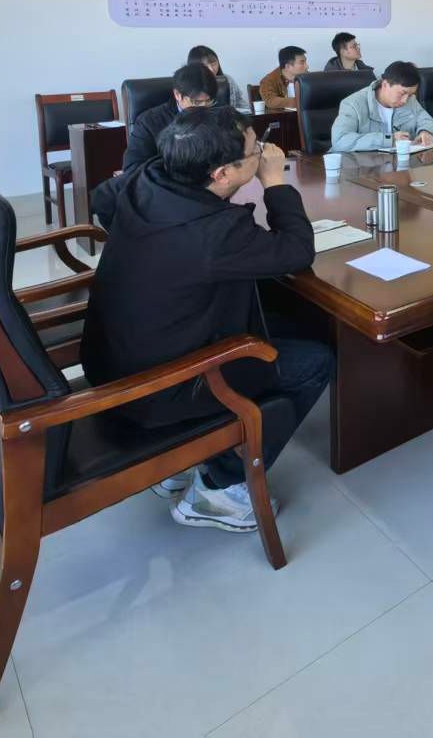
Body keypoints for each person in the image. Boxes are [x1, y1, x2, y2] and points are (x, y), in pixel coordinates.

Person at [81, 106, 333, 534]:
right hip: (158, 388)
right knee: (316, 360)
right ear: (221, 174)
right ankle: (220, 488)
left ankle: (179, 466)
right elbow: (296, 251)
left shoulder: (146, 177)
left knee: (284, 318)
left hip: (114, 355)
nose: (263, 153)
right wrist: (274, 181)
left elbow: (102, 200)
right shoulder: (215, 233)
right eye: (255, 152)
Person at [123, 62, 216, 172]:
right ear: (177, 94)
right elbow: (132, 168)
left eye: (209, 101)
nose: (203, 108)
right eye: (196, 102)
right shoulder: (149, 122)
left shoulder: (217, 114)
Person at [329, 60, 433, 150]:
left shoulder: (410, 100)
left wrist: (426, 132)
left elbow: (428, 122)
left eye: (411, 94)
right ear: (385, 84)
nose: (405, 100)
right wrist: (388, 140)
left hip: (400, 166)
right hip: (363, 168)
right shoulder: (353, 104)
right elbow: (340, 141)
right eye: (402, 93)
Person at [188, 45, 245, 110]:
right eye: (205, 66)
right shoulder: (188, 84)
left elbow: (240, 103)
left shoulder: (228, 79)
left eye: (213, 64)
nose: (211, 69)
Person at [257, 46, 309, 111]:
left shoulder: (308, 77)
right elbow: (270, 100)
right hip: (283, 116)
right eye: (302, 62)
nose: (307, 66)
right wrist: (301, 101)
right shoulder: (268, 81)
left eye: (305, 62)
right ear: (288, 66)